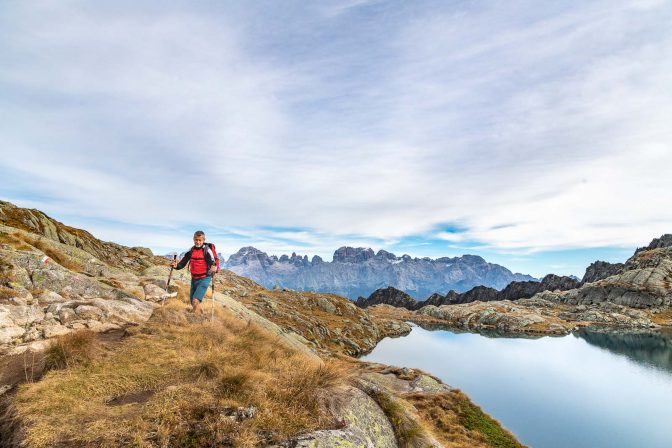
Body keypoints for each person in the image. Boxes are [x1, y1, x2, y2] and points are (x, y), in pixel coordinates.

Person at [171, 230, 219, 314]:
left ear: (203, 240)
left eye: (200, 240)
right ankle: (201, 316)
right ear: (193, 239)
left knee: (195, 300)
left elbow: (212, 262)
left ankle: (196, 321)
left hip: (205, 278)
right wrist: (176, 266)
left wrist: (213, 267)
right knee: (193, 302)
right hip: (194, 279)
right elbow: (182, 263)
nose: (198, 242)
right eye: (196, 240)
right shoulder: (191, 250)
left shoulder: (207, 250)